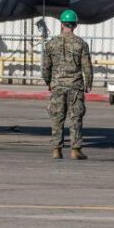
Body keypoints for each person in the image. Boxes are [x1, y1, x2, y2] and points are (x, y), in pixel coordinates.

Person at [42, 9, 93, 160]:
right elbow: (86, 66)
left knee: (57, 117)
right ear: (75, 25)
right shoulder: (81, 44)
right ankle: (75, 149)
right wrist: (88, 82)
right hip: (75, 86)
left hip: (57, 85)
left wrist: (48, 82)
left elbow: (46, 67)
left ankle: (56, 149)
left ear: (62, 24)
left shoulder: (51, 44)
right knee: (75, 117)